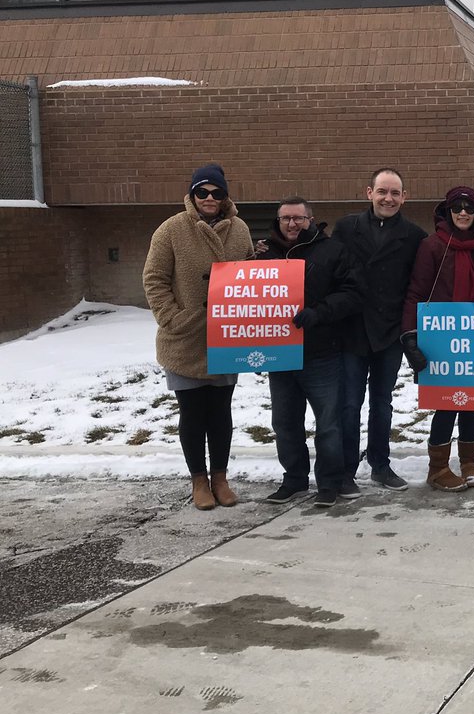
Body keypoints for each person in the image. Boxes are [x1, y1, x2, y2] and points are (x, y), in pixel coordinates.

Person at [142, 164, 253, 510]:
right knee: (192, 413)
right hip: (186, 338)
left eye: (217, 192)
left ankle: (220, 478)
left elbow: (250, 276)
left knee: (221, 412)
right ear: (192, 194)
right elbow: (154, 278)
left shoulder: (240, 229)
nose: (209, 198)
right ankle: (199, 481)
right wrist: (173, 318)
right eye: (202, 192)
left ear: (225, 196)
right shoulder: (171, 229)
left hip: (226, 338)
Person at [257, 198, 364, 507]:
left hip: (322, 353)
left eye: (299, 218)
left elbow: (353, 293)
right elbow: (248, 295)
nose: (292, 224)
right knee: (285, 423)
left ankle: (329, 483)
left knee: (328, 423)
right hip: (279, 354)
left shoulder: (332, 251)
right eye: (286, 218)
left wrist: (320, 312)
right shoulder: (263, 255)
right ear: (277, 221)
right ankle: (294, 480)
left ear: (311, 220)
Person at [333, 168, 427, 494]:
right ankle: (345, 469)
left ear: (405, 197)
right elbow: (326, 268)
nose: (389, 198)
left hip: (389, 332)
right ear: (368, 192)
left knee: (382, 403)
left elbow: (420, 283)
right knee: (348, 403)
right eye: (383, 191)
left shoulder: (414, 236)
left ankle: (380, 464)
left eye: (395, 193)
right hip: (353, 331)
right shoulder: (346, 228)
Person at [400, 186, 474, 491]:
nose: (463, 213)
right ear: (447, 211)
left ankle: (469, 462)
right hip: (440, 337)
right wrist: (410, 337)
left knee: (472, 402)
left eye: (469, 208)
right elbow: (416, 292)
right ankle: (437, 467)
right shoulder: (432, 246)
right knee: (446, 403)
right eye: (457, 208)